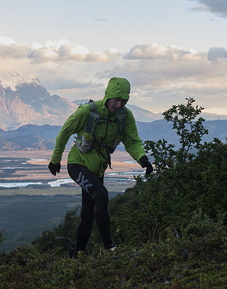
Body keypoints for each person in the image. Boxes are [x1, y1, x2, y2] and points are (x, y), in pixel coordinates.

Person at [48, 77, 153, 256]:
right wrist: (55, 159)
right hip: (77, 165)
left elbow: (132, 140)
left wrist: (142, 158)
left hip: (98, 169)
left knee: (88, 214)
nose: (119, 104)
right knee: (102, 195)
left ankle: (76, 256)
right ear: (108, 96)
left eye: (123, 101)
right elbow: (65, 132)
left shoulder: (125, 117)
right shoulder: (88, 112)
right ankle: (109, 248)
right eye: (116, 100)